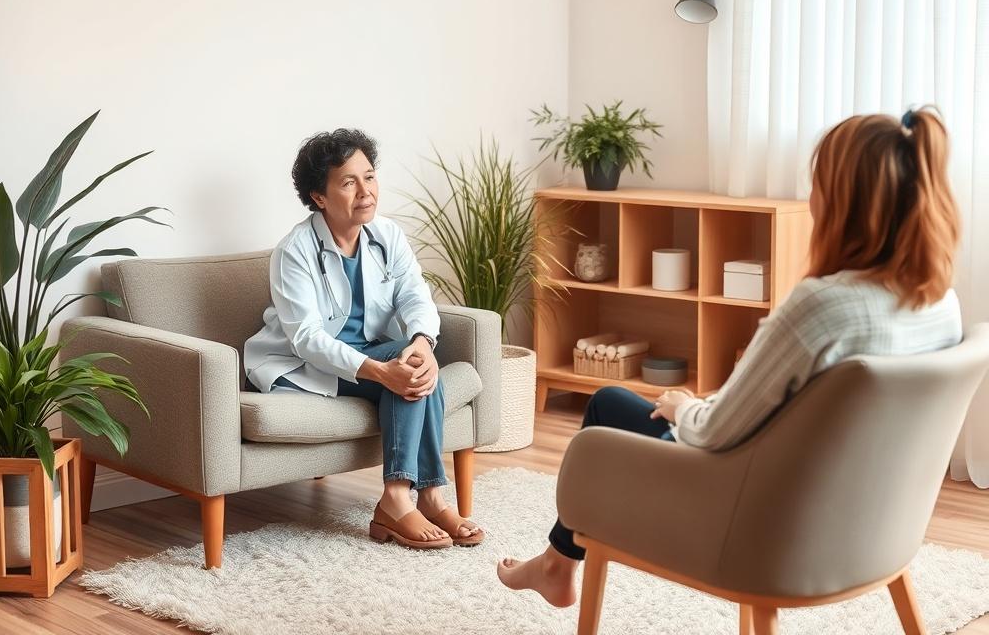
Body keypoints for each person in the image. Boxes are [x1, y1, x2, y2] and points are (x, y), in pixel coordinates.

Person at [498, 106, 962, 606]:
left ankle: (555, 565)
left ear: (843, 201)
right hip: (870, 525)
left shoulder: (822, 308)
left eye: (817, 183)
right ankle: (555, 565)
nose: (811, 197)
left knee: (608, 403)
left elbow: (715, 432)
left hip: (758, 521)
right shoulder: (940, 303)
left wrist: (683, 407)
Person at [244, 128, 483, 550]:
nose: (365, 192)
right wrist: (380, 371)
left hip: (372, 351)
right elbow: (306, 339)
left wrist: (423, 343)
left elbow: (416, 296)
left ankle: (426, 496)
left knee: (415, 369)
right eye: (348, 182)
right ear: (319, 197)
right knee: (405, 377)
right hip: (306, 365)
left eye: (369, 177)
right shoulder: (295, 251)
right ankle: (401, 497)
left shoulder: (387, 236)